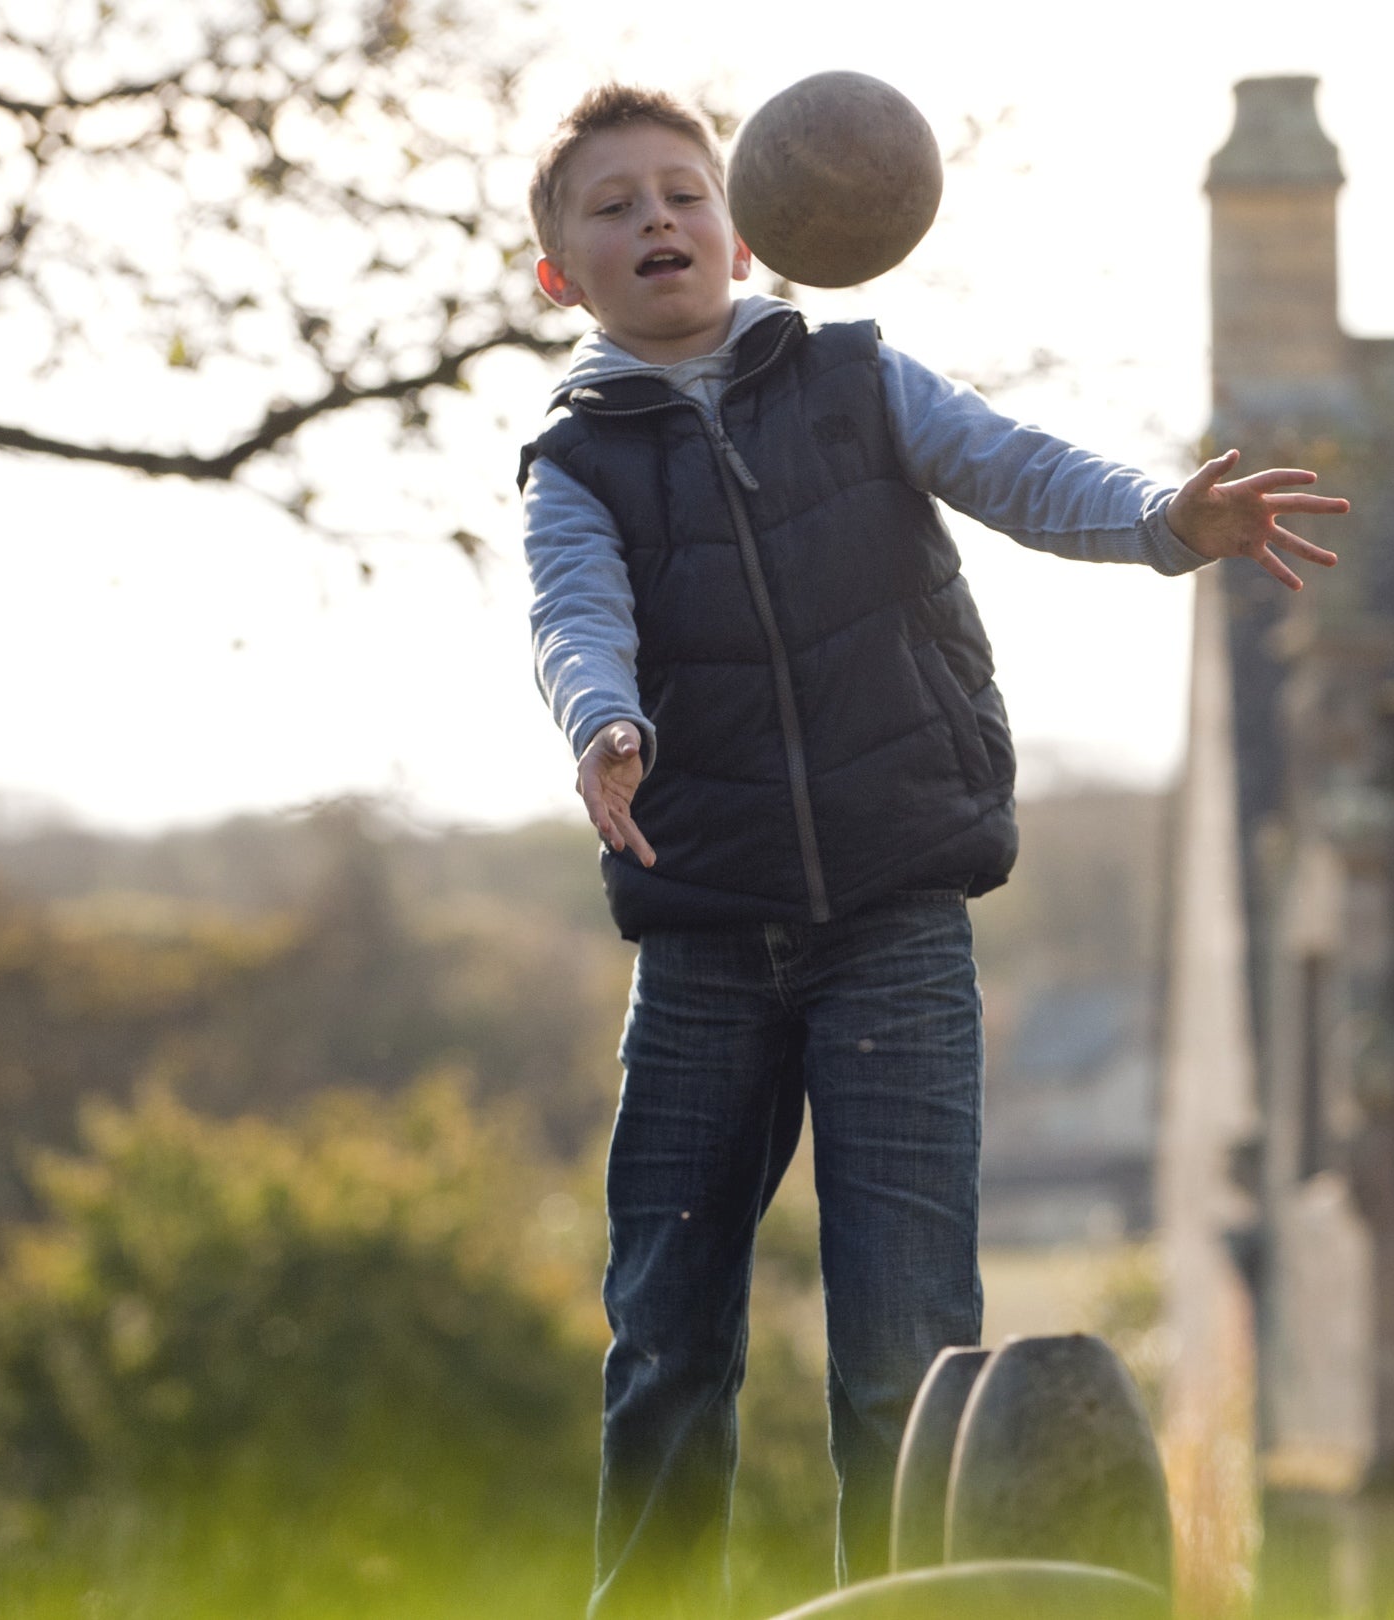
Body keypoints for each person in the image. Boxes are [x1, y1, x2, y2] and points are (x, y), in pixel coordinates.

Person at [515, 83, 1344, 1618]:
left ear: (744, 229)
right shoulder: (574, 464)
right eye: (612, 205)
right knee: (666, 1343)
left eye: (680, 192)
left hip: (895, 925)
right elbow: (575, 615)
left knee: (907, 1353)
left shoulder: (861, 379)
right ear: (561, 272)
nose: (655, 221)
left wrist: (1169, 516)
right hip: (702, 945)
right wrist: (603, 723)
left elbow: (1026, 472)